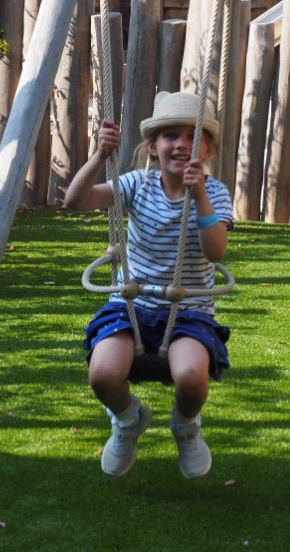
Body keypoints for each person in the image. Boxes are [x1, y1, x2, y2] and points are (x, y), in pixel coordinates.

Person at [64, 90, 234, 479]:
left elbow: (216, 251)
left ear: (207, 149)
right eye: (170, 135)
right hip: (132, 307)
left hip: (188, 310)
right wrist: (99, 157)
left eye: (192, 136)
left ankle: (186, 427)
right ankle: (127, 420)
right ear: (153, 147)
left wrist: (201, 196)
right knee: (102, 374)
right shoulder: (138, 184)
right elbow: (75, 201)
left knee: (192, 378)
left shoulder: (217, 193)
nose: (181, 144)